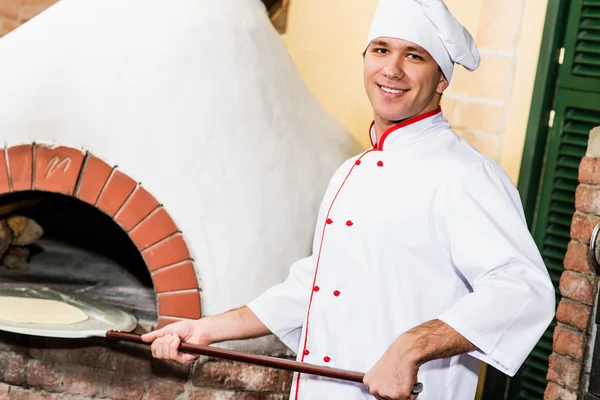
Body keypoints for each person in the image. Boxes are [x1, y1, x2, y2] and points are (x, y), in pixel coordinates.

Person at [141, 0, 556, 399]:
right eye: (381, 50)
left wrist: (410, 347)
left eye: (414, 56)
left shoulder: (467, 176)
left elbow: (521, 290)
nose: (391, 69)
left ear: (442, 78)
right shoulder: (350, 171)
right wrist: (206, 330)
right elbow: (317, 288)